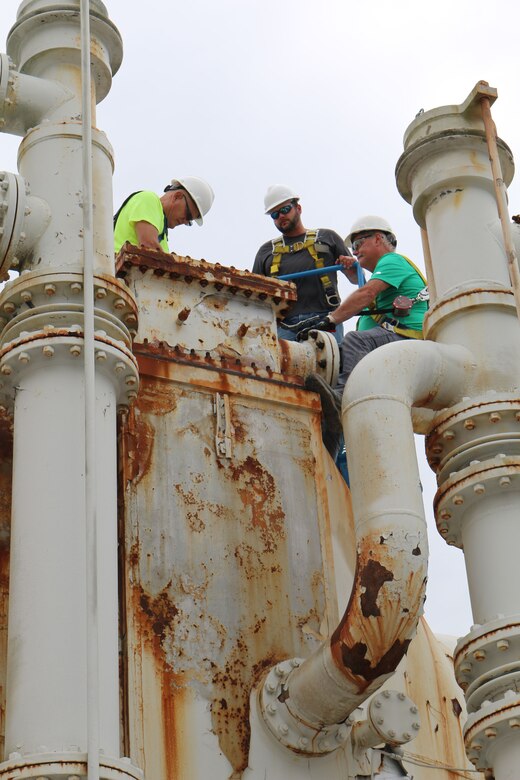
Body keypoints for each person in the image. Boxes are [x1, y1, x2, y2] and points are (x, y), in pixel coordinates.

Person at [304, 216, 428, 458]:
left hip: (407, 338)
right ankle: (327, 454)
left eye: (359, 243)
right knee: (345, 353)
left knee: (354, 341)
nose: (355, 250)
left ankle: (339, 402)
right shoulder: (384, 275)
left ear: (379, 238)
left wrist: (330, 319)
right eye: (353, 247)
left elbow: (366, 293)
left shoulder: (392, 261)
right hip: (394, 341)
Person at [252, 184, 357, 343]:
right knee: (285, 367)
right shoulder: (266, 251)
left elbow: (356, 278)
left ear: (298, 208)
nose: (281, 216)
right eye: (275, 214)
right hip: (283, 327)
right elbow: (255, 294)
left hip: (326, 319)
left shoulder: (327, 237)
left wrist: (350, 265)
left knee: (330, 365)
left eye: (285, 210)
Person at [114, 175, 215, 254]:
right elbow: (148, 246)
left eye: (189, 221)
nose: (185, 221)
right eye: (188, 215)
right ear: (177, 196)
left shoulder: (162, 236)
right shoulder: (149, 199)